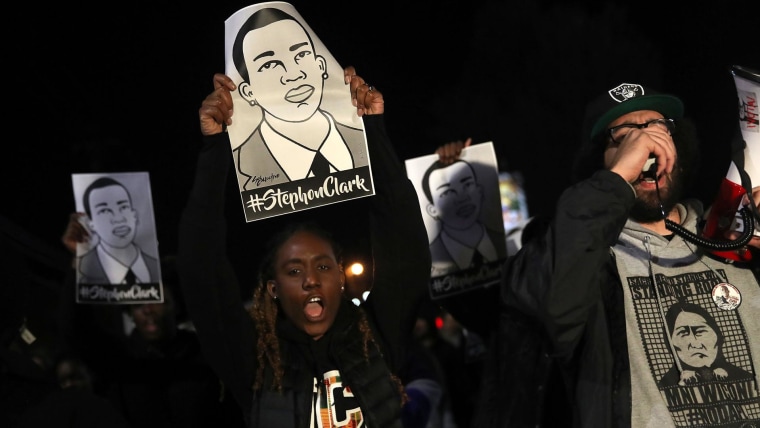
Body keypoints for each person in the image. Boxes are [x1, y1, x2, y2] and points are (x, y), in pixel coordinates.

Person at [178, 66, 430, 426]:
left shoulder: (375, 337)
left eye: (323, 266)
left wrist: (371, 129)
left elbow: (404, 245)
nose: (311, 280)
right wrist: (215, 148)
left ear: (340, 278)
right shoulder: (255, 360)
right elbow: (202, 272)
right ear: (273, 289)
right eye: (294, 271)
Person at [498, 81, 760, 427]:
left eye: (658, 130)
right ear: (601, 165)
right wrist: (618, 178)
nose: (646, 145)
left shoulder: (732, 238)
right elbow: (545, 307)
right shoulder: (585, 258)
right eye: (623, 139)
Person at [230, 6, 368, 189]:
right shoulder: (237, 168)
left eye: (301, 54)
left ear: (321, 65)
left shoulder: (365, 138)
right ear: (248, 92)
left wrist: (374, 123)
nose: (293, 75)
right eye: (269, 64)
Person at [421, 138, 507, 277]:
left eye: (467, 185)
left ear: (479, 191)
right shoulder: (427, 260)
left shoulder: (506, 245)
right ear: (433, 210)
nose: (462, 198)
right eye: (447, 192)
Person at [77, 178, 160, 286]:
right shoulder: (81, 269)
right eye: (105, 211)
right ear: (90, 224)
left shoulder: (156, 265)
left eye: (124, 207)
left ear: (134, 215)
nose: (119, 219)